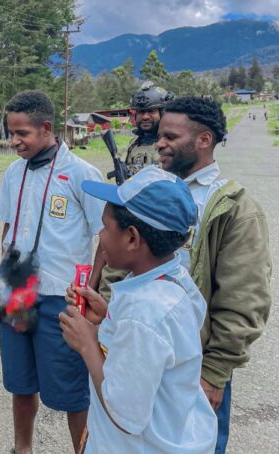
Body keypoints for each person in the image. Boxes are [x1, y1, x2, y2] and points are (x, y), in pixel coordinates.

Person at [101, 96, 272, 453]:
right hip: (135, 347)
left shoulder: (233, 208)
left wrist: (214, 372)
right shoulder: (150, 188)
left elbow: (244, 298)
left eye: (171, 137)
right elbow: (117, 260)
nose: (160, 143)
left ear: (204, 140)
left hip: (192, 367)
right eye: (160, 134)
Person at [61, 165, 217, 453]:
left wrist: (88, 345)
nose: (101, 237)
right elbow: (154, 349)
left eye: (106, 227)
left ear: (132, 238)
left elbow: (124, 412)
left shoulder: (144, 312)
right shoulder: (173, 280)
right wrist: (107, 322)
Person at [0, 89, 105, 454]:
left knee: (72, 389)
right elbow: (7, 228)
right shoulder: (13, 173)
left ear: (46, 128)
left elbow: (105, 238)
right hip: (16, 293)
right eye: (10, 132)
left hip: (61, 297)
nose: (14, 141)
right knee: (20, 382)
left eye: (21, 133)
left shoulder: (82, 175)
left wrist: (89, 291)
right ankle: (21, 448)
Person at [121, 81, 174, 176]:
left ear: (163, 113)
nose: (145, 117)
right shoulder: (134, 144)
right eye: (141, 112)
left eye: (151, 111)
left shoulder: (174, 144)